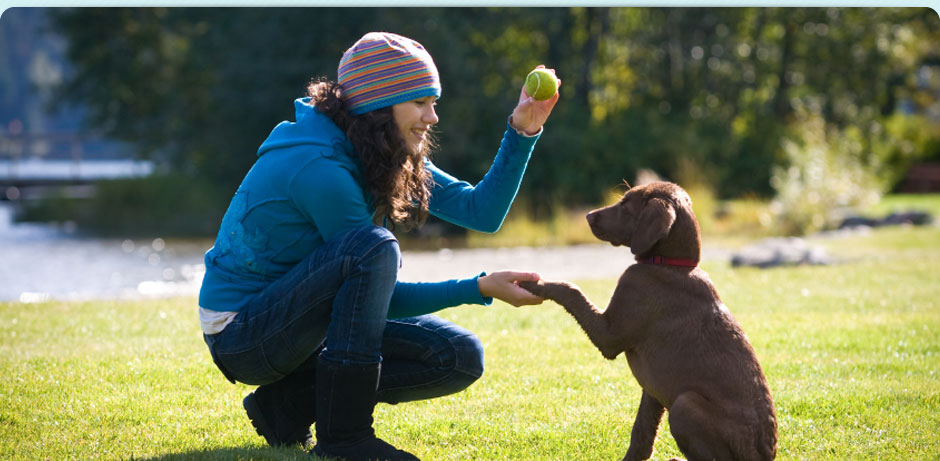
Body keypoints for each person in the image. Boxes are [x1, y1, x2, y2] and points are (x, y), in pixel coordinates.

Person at [198, 31, 559, 460]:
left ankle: (288, 404)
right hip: (243, 336)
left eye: (433, 102)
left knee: (458, 356)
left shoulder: (380, 149)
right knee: (372, 247)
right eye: (420, 103)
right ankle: (344, 440)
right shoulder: (320, 167)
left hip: (299, 326)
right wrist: (478, 288)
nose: (433, 117)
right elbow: (378, 292)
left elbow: (480, 211)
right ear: (378, 107)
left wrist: (524, 129)